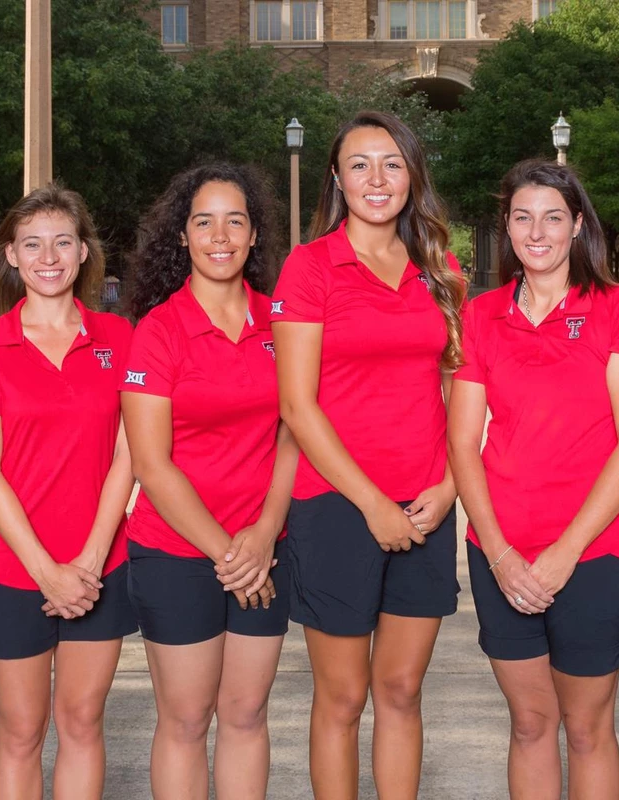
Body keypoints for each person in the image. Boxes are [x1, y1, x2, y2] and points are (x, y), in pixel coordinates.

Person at [271, 111, 465, 800]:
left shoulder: (439, 269)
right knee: (345, 697)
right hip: (338, 510)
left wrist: (448, 488)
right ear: (337, 178)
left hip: (425, 507)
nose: (376, 179)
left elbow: (458, 390)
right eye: (359, 164)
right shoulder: (310, 265)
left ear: (411, 175)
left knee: (402, 690)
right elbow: (298, 406)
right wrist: (372, 504)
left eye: (391, 163)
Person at [449, 159, 619, 799]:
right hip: (500, 551)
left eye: (552, 218)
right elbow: (461, 442)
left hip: (591, 553)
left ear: (576, 228)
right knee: (530, 722)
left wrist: (565, 554)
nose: (536, 232)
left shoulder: (618, 308)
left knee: (588, 726)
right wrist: (504, 555)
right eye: (522, 217)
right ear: (506, 227)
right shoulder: (482, 315)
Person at [0, 184, 136, 799]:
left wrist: (85, 564)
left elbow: (126, 458)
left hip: (100, 564)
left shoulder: (118, 337)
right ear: (12, 256)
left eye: (62, 242)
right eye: (32, 244)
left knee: (82, 721)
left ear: (84, 253)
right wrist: (46, 572)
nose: (48, 256)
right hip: (12, 569)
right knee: (22, 730)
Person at [121, 164, 294, 800]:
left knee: (246, 715)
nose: (220, 235)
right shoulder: (159, 330)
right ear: (184, 237)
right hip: (178, 553)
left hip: (263, 553)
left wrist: (265, 534)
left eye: (235, 221)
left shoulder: (281, 321)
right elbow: (151, 461)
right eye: (204, 221)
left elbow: (294, 429)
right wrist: (229, 552)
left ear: (253, 237)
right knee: (188, 720)